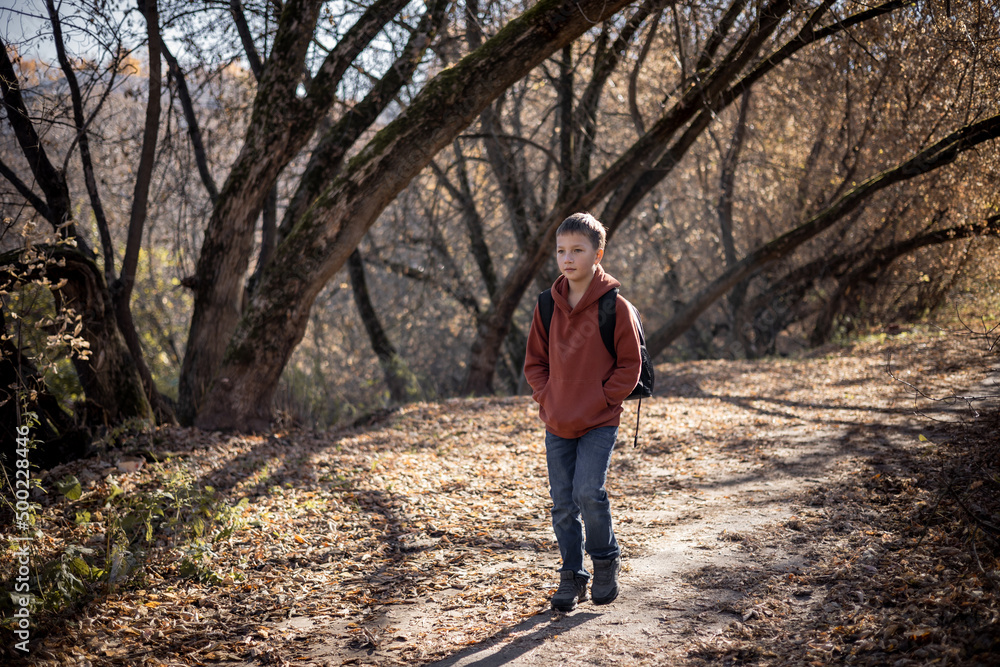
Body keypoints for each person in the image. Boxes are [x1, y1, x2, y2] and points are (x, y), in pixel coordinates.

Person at [523, 212, 642, 612]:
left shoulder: (615, 306)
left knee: (588, 492)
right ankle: (572, 575)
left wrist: (606, 399)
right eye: (561, 251)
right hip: (557, 420)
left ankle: (605, 559)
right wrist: (548, 395)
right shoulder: (545, 305)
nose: (567, 258)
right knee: (561, 503)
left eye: (577, 250)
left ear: (598, 253)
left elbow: (629, 364)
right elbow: (535, 363)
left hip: (599, 420)